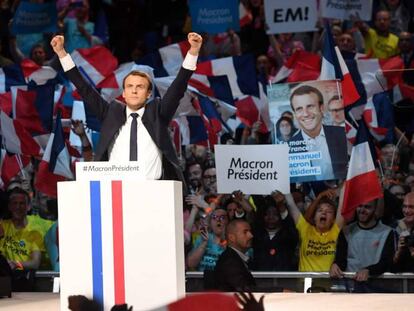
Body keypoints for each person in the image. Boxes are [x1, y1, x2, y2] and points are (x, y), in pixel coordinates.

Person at [50, 32, 203, 186]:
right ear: (123, 93)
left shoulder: (158, 112)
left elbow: (178, 87)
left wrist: (193, 52)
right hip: (116, 190)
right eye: (130, 86)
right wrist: (62, 54)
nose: (134, 90)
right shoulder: (110, 113)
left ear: (149, 93)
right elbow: (84, 88)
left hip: (154, 191)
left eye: (140, 87)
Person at [329, 200, 394, 292]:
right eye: (359, 206)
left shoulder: (387, 232)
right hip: (350, 287)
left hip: (377, 288)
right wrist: (335, 265)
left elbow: (386, 261)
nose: (362, 210)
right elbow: (341, 259)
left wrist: (369, 270)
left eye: (367, 207)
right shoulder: (346, 231)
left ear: (375, 209)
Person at [288, 85, 348, 182]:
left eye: (310, 106)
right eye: (299, 109)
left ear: (321, 108)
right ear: (294, 113)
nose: (306, 114)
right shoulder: (288, 148)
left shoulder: (342, 134)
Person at [0, 188, 44, 291]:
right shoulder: (2, 226)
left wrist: (17, 264)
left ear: (28, 207)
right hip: (3, 275)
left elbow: (35, 262)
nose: (18, 207)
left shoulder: (35, 233)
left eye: (22, 203)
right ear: (9, 206)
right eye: (14, 203)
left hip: (22, 277)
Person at [214, 219, 255, 292]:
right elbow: (244, 288)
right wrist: (279, 290)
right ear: (231, 238)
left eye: (250, 231)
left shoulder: (234, 257)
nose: (251, 236)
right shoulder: (229, 261)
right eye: (245, 232)